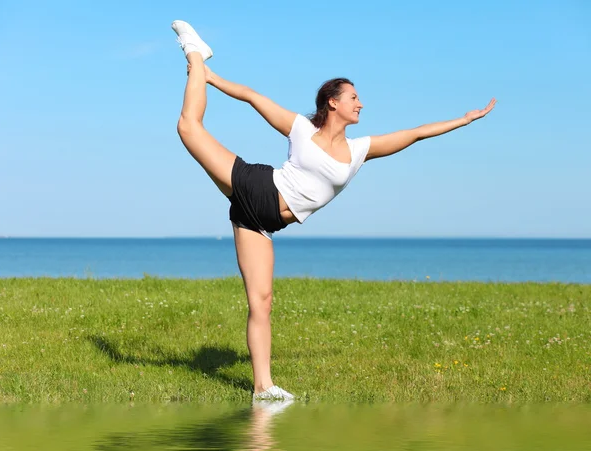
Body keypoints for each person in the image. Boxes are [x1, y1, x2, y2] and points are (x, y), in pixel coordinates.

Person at [172, 20, 496, 401]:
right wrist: (212, 77)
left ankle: (263, 388)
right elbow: (252, 97)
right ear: (333, 102)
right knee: (188, 127)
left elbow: (415, 133)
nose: (361, 103)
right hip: (257, 187)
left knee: (262, 301)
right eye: (354, 97)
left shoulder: (359, 151)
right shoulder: (300, 130)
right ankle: (195, 50)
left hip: (261, 221)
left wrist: (463, 120)